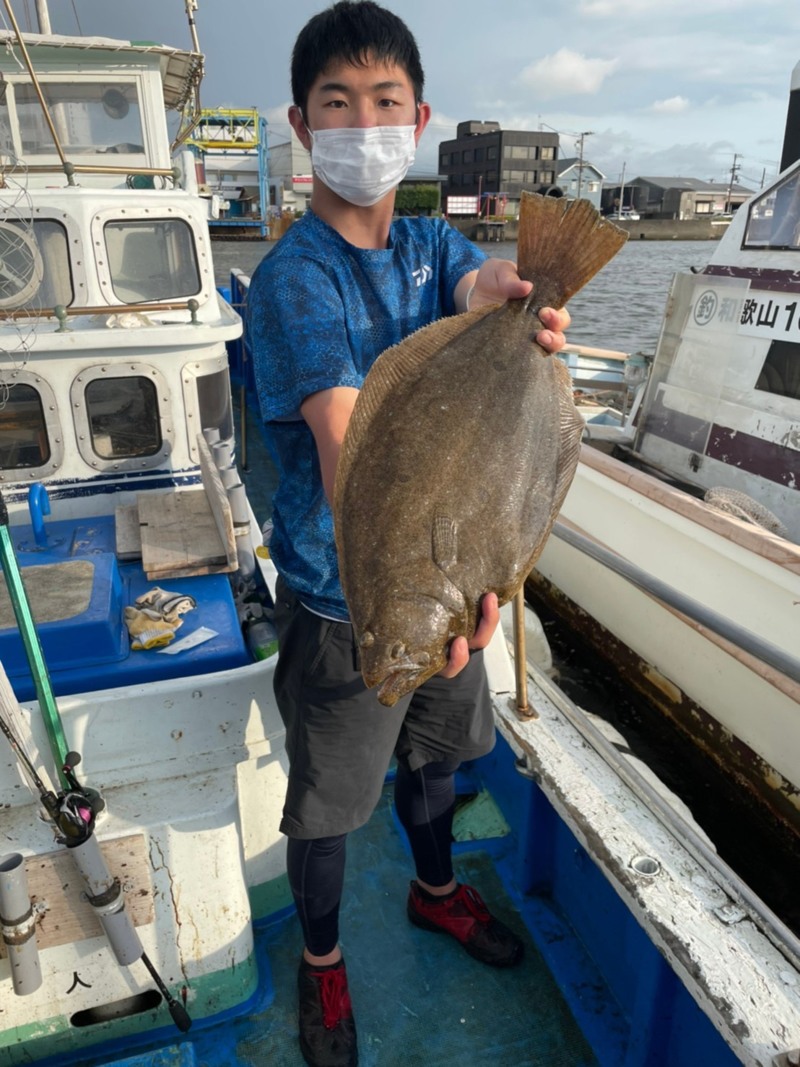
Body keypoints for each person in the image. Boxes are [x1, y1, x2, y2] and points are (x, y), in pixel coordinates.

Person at [246, 4, 570, 1065]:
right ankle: (325, 964)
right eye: (336, 102)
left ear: (419, 116)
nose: (362, 120)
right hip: (354, 602)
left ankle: (436, 891)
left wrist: (521, 297)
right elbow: (348, 457)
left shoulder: (429, 240)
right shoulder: (297, 275)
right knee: (331, 807)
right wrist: (429, 603)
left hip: (449, 590)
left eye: (383, 100)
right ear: (301, 124)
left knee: (438, 755)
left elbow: (476, 284)